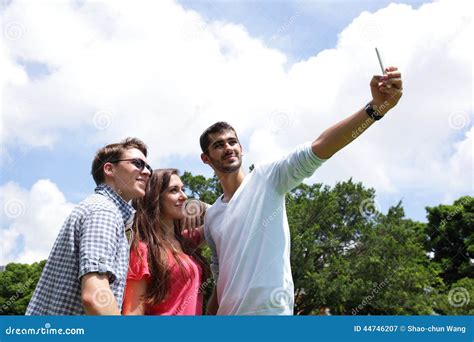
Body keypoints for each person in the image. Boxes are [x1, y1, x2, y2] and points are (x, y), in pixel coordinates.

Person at [202, 67, 403, 315]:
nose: (228, 148)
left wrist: (375, 109)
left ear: (242, 149)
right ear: (206, 158)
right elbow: (220, 277)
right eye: (218, 145)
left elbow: (320, 146)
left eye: (232, 142)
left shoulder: (268, 178)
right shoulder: (212, 216)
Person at [26, 138, 152, 315]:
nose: (146, 172)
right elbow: (95, 296)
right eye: (137, 163)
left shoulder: (101, 209)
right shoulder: (104, 212)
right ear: (109, 169)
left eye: (148, 168)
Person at [122, 169, 209, 315]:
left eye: (183, 189)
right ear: (155, 197)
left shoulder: (187, 241)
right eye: (174, 190)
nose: (184, 196)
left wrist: (201, 205)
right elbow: (132, 314)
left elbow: (226, 219)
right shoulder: (142, 250)